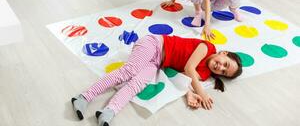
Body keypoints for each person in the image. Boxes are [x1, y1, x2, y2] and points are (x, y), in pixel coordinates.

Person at [71, 35, 242, 126]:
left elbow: (179, 76)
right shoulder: (207, 47)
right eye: (225, 64)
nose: (221, 68)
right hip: (153, 44)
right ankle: (84, 97)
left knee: (137, 84)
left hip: (158, 63)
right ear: (224, 53)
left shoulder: (204, 74)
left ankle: (109, 111)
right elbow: (189, 68)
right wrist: (202, 93)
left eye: (224, 72)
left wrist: (188, 93)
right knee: (128, 71)